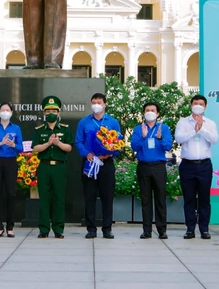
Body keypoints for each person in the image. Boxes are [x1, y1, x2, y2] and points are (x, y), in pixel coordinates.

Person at [75, 93, 120, 239]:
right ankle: (91, 228)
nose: (96, 104)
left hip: (106, 164)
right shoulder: (84, 122)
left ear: (105, 104)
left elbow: (119, 143)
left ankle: (107, 228)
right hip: (89, 163)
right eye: (93, 102)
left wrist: (110, 153)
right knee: (89, 196)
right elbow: (78, 141)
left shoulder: (113, 122)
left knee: (107, 197)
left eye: (99, 102)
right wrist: (87, 153)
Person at [175, 94, 219, 240]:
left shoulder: (210, 123)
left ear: (205, 107)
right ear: (191, 105)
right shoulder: (183, 122)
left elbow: (214, 140)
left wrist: (202, 129)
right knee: (189, 199)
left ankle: (204, 229)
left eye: (201, 103)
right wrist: (194, 130)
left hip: (204, 165)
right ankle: (190, 229)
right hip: (188, 165)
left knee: (204, 199)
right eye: (195, 103)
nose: (198, 105)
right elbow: (179, 138)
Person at [130, 101, 173, 240]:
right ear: (144, 113)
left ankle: (162, 230)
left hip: (158, 167)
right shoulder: (138, 128)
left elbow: (168, 146)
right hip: (143, 166)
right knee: (145, 199)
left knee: (160, 199)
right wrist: (143, 137)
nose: (150, 112)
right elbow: (134, 147)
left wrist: (159, 138)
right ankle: (146, 230)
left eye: (153, 110)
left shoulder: (163, 128)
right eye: (147, 110)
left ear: (157, 113)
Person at [33, 96, 73, 239]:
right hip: (44, 167)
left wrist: (58, 144)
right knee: (44, 198)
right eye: (48, 110)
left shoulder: (64, 129)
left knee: (58, 198)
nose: (51, 113)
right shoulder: (39, 129)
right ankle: (43, 229)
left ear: (58, 112)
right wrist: (48, 144)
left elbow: (69, 147)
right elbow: (35, 148)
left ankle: (58, 229)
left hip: (59, 167)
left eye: (54, 110)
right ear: (44, 113)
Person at [0, 102, 23, 237]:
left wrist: (13, 144)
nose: (5, 112)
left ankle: (10, 227)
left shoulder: (16, 128)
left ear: (11, 113)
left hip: (11, 162)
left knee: (11, 194)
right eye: (3, 110)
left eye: (7, 110)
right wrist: (0, 143)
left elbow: (21, 148)